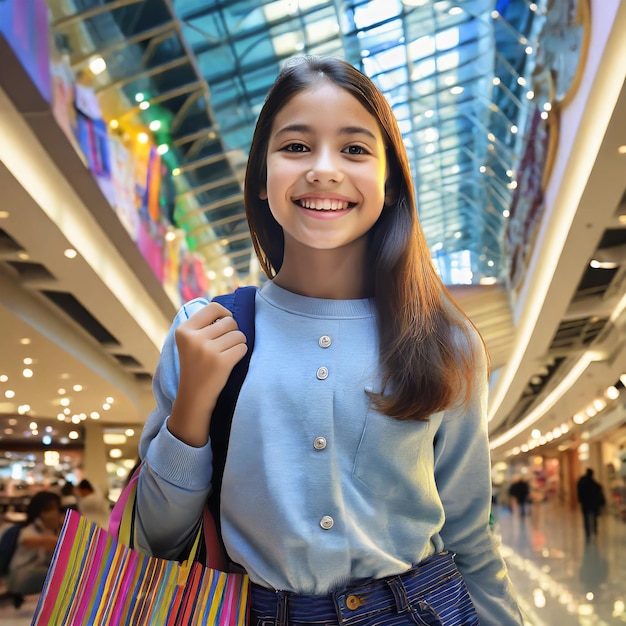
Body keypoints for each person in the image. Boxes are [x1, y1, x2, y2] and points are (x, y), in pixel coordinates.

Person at [135, 56, 523, 625]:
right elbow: (158, 542)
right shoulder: (207, 329)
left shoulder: (443, 340)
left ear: (389, 184)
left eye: (355, 149)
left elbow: (470, 539)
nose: (323, 169)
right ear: (262, 179)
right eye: (295, 147)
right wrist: (191, 409)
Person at [5, 491, 62, 608]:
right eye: (56, 510)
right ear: (43, 513)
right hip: (22, 577)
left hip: (28, 575)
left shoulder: (47, 530)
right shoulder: (32, 529)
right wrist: (46, 540)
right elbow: (25, 540)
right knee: (59, 577)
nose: (59, 514)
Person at [577, 468, 606, 540]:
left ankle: (588, 532)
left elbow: (579, 491)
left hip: (586, 503)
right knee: (593, 517)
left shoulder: (583, 482)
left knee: (587, 517)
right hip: (592, 503)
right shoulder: (593, 483)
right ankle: (594, 530)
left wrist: (580, 499)